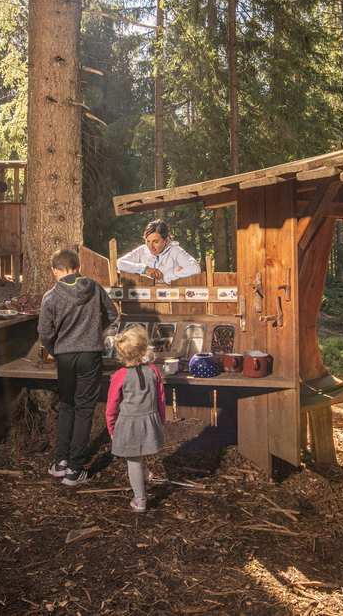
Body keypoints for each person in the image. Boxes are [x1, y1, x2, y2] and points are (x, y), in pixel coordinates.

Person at [38, 248, 118, 486]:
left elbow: (44, 332)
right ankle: (75, 468)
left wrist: (55, 349)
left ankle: (61, 462)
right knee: (84, 409)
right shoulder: (94, 288)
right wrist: (95, 331)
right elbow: (112, 315)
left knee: (67, 405)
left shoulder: (50, 297)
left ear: (55, 270)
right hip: (90, 355)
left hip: (64, 357)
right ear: (77, 266)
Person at [104, 325, 165, 513]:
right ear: (143, 348)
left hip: (129, 424)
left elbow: (111, 406)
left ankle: (140, 500)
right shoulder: (154, 370)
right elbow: (161, 399)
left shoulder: (119, 376)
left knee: (133, 461)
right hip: (150, 421)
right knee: (138, 453)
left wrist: (111, 428)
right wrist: (161, 421)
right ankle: (145, 474)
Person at [116, 219, 201, 284]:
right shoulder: (142, 250)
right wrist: (144, 269)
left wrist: (167, 276)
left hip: (171, 299)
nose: (150, 246)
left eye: (155, 242)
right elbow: (120, 263)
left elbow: (195, 268)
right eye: (148, 241)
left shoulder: (175, 250)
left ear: (166, 240)